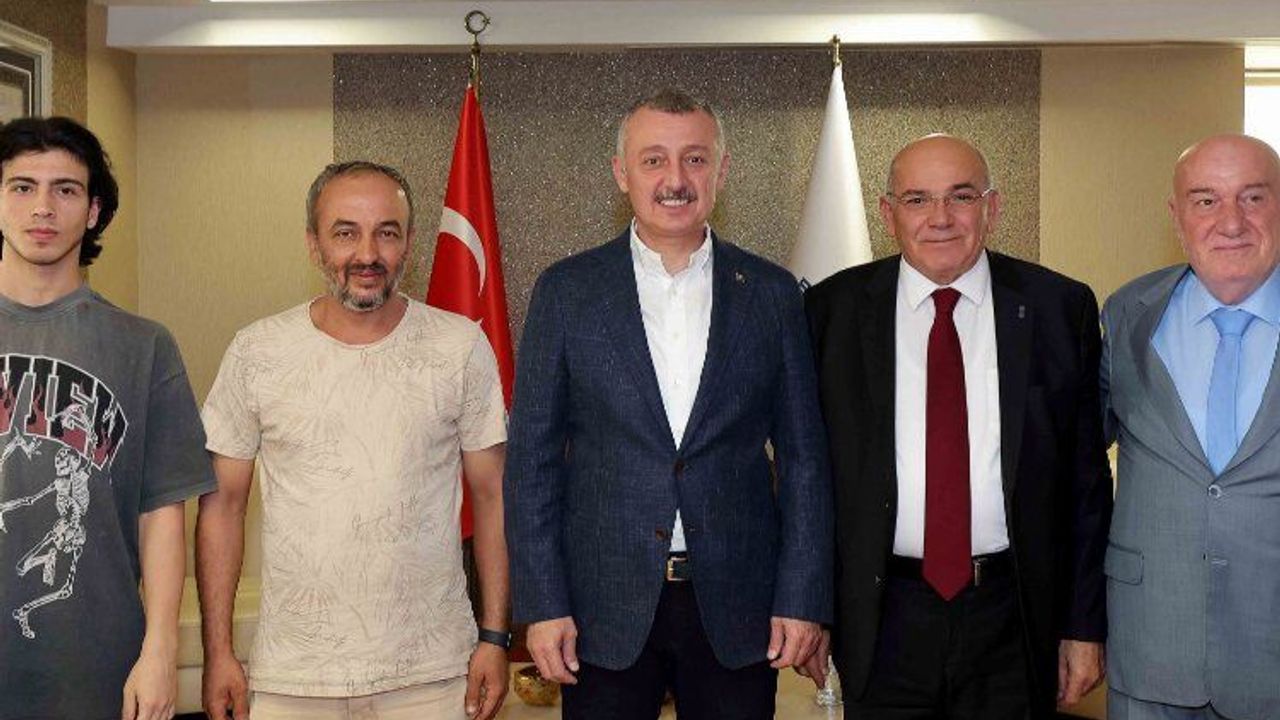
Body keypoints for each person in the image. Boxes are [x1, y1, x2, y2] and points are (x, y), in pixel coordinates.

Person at [505, 87, 833, 720]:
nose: (675, 179)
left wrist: (802, 598)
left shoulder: (771, 294)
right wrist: (543, 605)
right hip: (601, 613)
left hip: (739, 610)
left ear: (722, 170)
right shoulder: (567, 291)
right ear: (621, 172)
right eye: (653, 160)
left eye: (695, 159)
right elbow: (531, 465)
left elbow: (805, 461)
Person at [805, 134, 1112, 719]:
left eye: (961, 196)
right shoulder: (830, 312)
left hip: (1014, 616)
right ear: (888, 214)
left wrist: (1083, 625)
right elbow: (807, 479)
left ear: (992, 208)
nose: (940, 217)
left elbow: (1086, 487)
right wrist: (810, 609)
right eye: (917, 199)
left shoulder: (1058, 308)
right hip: (882, 617)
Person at [196, 161, 509, 720]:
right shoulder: (256, 352)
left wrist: (495, 636)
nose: (367, 253)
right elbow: (223, 506)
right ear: (313, 244)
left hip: (433, 675)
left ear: (409, 242)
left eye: (386, 232)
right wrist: (218, 652)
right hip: (293, 680)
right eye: (345, 233)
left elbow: (493, 497)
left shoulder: (459, 347)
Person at [0, 116, 215, 720]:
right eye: (22, 186)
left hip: (96, 666)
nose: (43, 207)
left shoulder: (143, 346)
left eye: (65, 189)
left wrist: (161, 649)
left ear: (93, 211)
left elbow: (162, 511)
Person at [1101, 134, 1280, 720]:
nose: (1231, 222)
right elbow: (1065, 466)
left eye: (1253, 197)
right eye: (1206, 200)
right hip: (1151, 648)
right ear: (1176, 217)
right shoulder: (1126, 313)